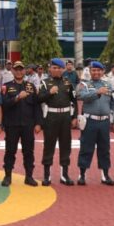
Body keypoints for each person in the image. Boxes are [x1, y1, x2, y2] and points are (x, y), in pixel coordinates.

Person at [76, 61, 114, 186]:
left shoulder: (108, 85)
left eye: (99, 70)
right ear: (90, 71)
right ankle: (82, 174)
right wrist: (97, 92)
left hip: (104, 122)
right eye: (93, 70)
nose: (96, 72)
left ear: (103, 71)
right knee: (86, 148)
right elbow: (81, 96)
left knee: (104, 149)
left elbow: (113, 104)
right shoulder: (84, 84)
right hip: (89, 121)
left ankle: (105, 175)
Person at [37, 58, 78, 186]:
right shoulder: (44, 83)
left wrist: (74, 117)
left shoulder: (68, 82)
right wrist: (49, 93)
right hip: (51, 116)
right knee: (49, 145)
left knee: (65, 145)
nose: (57, 70)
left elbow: (74, 100)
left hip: (65, 117)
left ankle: (64, 175)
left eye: (59, 68)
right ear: (50, 69)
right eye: (54, 68)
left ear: (63, 69)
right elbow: (38, 99)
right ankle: (47, 176)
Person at [1, 61, 41, 187]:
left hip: (28, 125)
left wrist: (38, 123)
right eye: (16, 69)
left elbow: (36, 106)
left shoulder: (31, 86)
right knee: (10, 151)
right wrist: (17, 97)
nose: (18, 72)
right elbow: (4, 105)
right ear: (12, 71)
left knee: (28, 151)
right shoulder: (6, 86)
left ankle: (29, 176)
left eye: (21, 69)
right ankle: (8, 176)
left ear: (24, 71)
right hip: (12, 124)